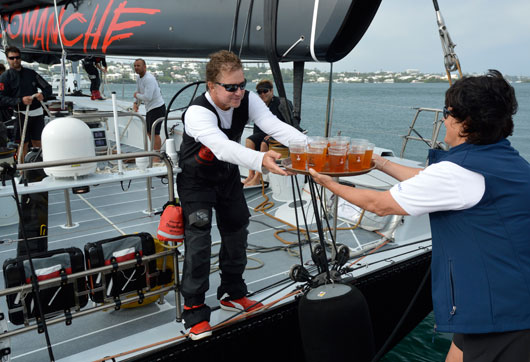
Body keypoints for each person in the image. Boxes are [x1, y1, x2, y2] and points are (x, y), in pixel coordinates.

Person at [309, 70, 530, 362]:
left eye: (447, 113)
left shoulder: (458, 172)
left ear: (467, 122)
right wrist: (379, 163)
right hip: (502, 293)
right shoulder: (503, 159)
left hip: (501, 311)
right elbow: (428, 177)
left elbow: (380, 204)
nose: (443, 119)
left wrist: (328, 183)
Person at [177, 50, 306, 340]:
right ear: (212, 86)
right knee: (199, 241)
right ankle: (194, 310)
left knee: (237, 229)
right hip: (196, 182)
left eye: (242, 84)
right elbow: (223, 147)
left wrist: (311, 147)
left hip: (226, 177)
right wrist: (261, 161)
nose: (239, 92)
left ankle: (232, 293)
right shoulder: (197, 113)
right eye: (231, 87)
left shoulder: (246, 100)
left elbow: (275, 127)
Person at [0, 46, 52, 160]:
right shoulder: (4, 78)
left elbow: (47, 88)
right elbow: (1, 99)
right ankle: (23, 172)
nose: (15, 60)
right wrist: (20, 100)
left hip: (37, 113)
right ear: (7, 59)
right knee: (23, 144)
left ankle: (41, 169)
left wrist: (43, 95)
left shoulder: (31, 73)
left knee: (38, 143)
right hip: (20, 114)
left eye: (17, 57)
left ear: (21, 58)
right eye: (12, 58)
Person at [242, 79, 295, 186]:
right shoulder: (259, 105)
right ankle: (251, 175)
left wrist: (273, 134)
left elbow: (290, 122)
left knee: (263, 143)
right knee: (249, 140)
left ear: (271, 91)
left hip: (279, 133)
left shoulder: (282, 103)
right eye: (259, 92)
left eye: (265, 91)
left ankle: (258, 177)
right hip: (264, 133)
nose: (262, 94)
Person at [132, 58, 165, 161]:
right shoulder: (139, 78)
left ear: (144, 67)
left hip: (158, 108)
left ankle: (157, 156)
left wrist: (136, 95)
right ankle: (154, 151)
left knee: (155, 133)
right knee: (149, 132)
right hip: (150, 108)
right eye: (135, 66)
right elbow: (138, 90)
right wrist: (135, 103)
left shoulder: (149, 79)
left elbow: (148, 97)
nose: (136, 67)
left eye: (139, 65)